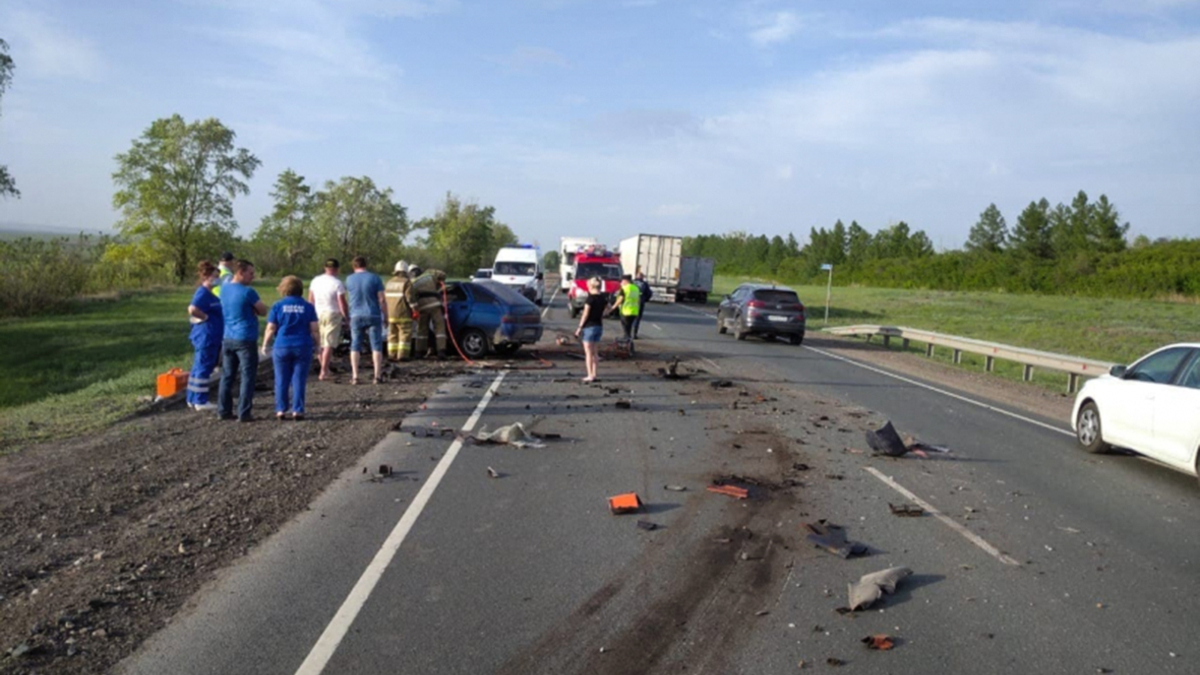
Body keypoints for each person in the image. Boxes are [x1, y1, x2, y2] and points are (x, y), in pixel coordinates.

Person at [261, 276, 319, 421]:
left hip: (282, 345)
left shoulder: (277, 306)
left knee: (281, 379)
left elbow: (271, 328)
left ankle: (280, 409)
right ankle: (297, 410)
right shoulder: (308, 307)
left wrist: (265, 344)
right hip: (302, 345)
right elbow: (314, 329)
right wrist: (318, 345)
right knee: (298, 379)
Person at [217, 259, 268, 422]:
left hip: (228, 336)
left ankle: (223, 410)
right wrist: (252, 309)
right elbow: (262, 310)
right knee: (247, 376)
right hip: (245, 337)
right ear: (240, 273)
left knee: (227, 376)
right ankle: (244, 412)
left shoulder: (224, 289)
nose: (253, 277)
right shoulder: (248, 292)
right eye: (250, 273)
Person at [185, 260, 224, 411]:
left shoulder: (209, 293)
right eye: (215, 276)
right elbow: (193, 308)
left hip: (210, 335)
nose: (217, 279)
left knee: (198, 367)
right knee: (204, 367)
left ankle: (192, 397)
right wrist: (205, 318)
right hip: (206, 335)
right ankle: (200, 400)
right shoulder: (202, 293)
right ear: (206, 277)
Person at [345, 255, 387, 384]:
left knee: (355, 345)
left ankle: (355, 376)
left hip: (356, 315)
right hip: (373, 314)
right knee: (376, 346)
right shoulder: (375, 278)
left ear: (354, 266)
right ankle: (377, 376)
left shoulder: (349, 279)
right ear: (366, 265)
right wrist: (386, 315)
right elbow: (381, 299)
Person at [308, 258, 349, 381]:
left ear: (325, 268)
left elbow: (310, 300)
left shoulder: (315, 281)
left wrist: (310, 315)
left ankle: (325, 368)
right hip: (332, 314)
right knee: (328, 344)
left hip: (317, 313)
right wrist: (346, 317)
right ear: (337, 269)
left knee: (319, 342)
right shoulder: (337, 283)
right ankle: (324, 371)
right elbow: (341, 302)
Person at [406, 267, 448, 360]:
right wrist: (438, 284)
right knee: (440, 328)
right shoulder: (430, 275)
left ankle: (419, 352)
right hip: (434, 304)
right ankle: (441, 351)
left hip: (422, 306)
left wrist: (415, 308)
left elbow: (411, 297)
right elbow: (443, 274)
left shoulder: (413, 283)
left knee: (422, 330)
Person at [574, 276, 607, 382]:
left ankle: (590, 375)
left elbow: (585, 314)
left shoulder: (590, 299)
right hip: (599, 326)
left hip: (589, 327)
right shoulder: (603, 298)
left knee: (588, 353)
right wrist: (602, 315)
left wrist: (579, 328)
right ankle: (594, 373)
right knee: (595, 352)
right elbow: (610, 308)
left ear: (591, 286)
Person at [384, 261, 415, 361]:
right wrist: (415, 309)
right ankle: (403, 355)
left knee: (392, 335)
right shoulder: (406, 282)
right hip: (403, 313)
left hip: (390, 314)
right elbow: (410, 299)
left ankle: (391, 355)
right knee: (404, 334)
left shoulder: (389, 282)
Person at [609, 274, 641, 341]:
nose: (621, 283)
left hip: (625, 311)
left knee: (626, 329)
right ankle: (628, 342)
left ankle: (627, 343)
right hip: (634, 311)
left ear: (625, 281)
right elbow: (638, 300)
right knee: (629, 329)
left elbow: (620, 300)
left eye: (622, 281)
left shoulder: (624, 288)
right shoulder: (636, 288)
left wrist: (612, 308)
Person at [632, 272, 652, 339]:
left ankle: (627, 333)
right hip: (640, 302)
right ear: (642, 277)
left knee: (629, 319)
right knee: (637, 319)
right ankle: (634, 334)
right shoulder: (644, 284)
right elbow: (649, 293)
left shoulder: (632, 283)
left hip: (630, 302)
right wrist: (645, 299)